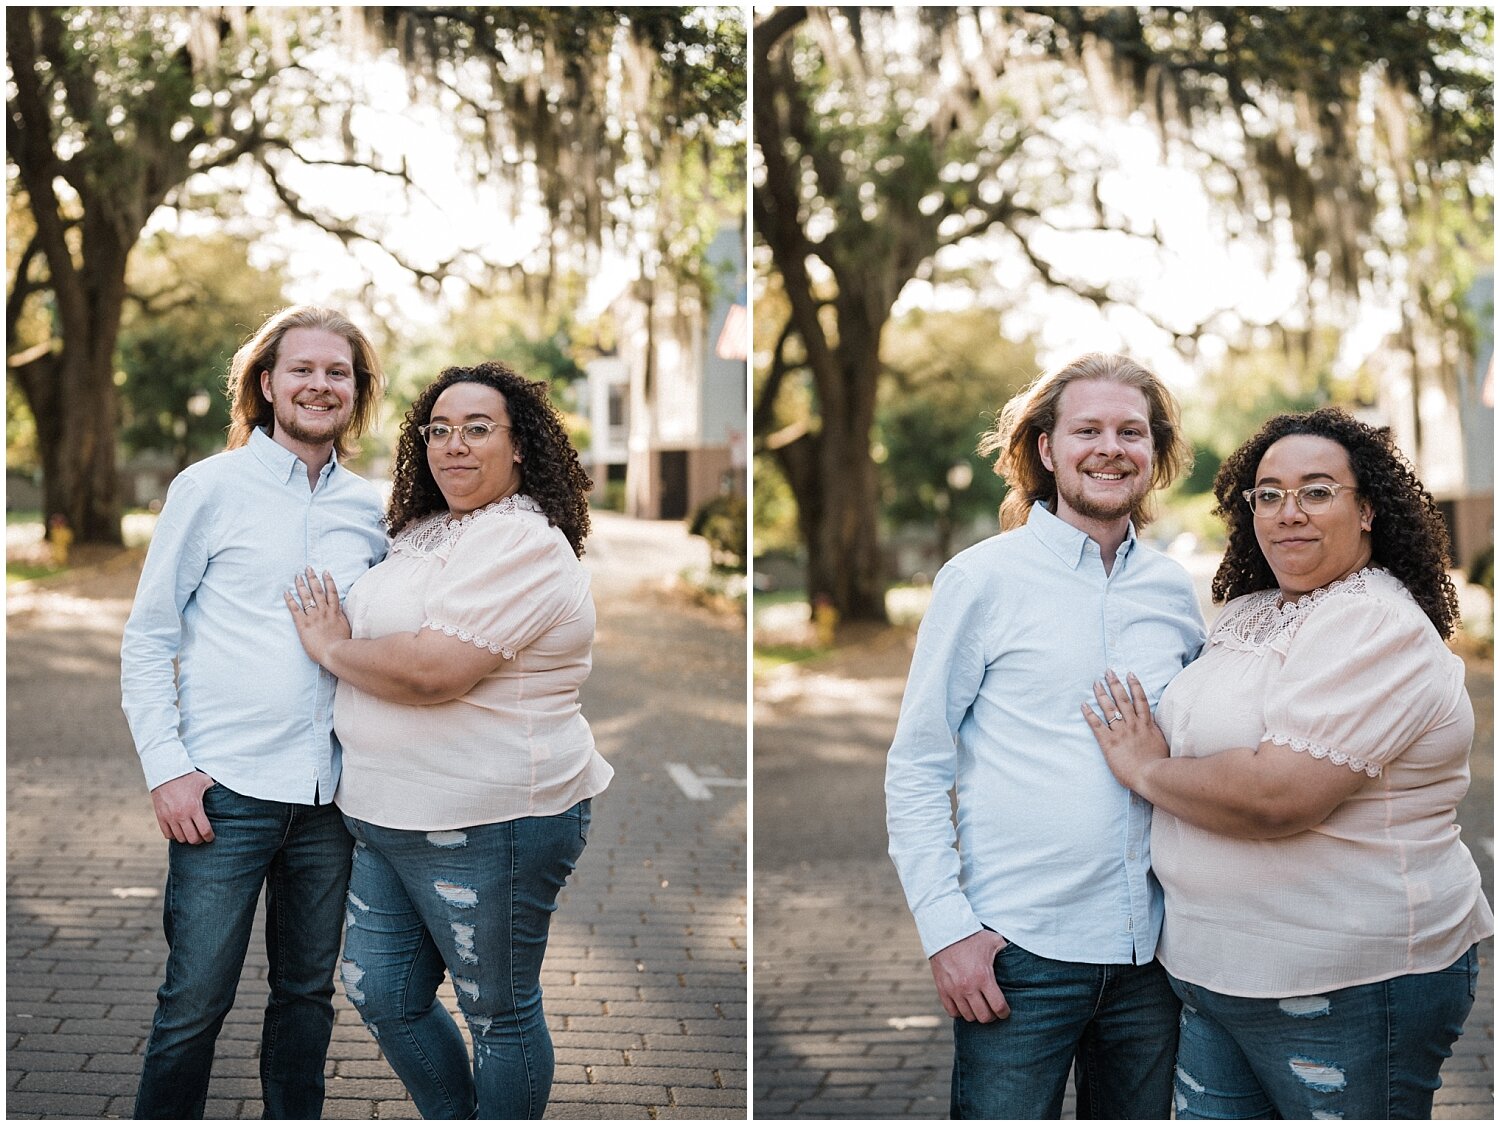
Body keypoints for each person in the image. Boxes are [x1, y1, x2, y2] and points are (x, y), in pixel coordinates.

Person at [1085, 407, 1493, 1119]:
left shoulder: (1376, 623)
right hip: (1213, 975)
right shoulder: (1249, 610)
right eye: (1268, 494)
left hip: (1347, 985)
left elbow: (1280, 794)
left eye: (1316, 491)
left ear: (1367, 509)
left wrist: (1145, 771)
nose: (1287, 513)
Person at [284, 360, 613, 1119]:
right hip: (383, 815)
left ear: (520, 444)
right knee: (382, 991)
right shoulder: (425, 531)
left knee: (496, 1011)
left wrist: (331, 649)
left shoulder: (524, 540)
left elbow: (437, 671)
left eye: (477, 428)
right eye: (438, 430)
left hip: (490, 819)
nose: (454, 445)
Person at [885, 353, 1207, 1119]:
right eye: (1087, 428)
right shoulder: (981, 580)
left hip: (1154, 959)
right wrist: (947, 932)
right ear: (1045, 449)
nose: (1110, 447)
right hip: (1018, 952)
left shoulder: (1172, 592)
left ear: (1154, 453)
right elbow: (919, 765)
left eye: (1132, 431)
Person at [120, 305, 388, 1119]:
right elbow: (148, 637)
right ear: (267, 384)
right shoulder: (209, 487)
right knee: (194, 1004)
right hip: (222, 795)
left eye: (337, 372)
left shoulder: (374, 510)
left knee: (306, 1001)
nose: (319, 385)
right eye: (302, 369)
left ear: (357, 391)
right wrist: (168, 769)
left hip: (329, 801)